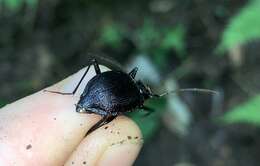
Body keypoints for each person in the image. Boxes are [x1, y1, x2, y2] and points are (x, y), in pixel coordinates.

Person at [0, 65, 143, 166]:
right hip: (101, 95)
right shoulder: (136, 96)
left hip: (101, 90)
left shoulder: (129, 84)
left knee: (108, 118)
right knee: (108, 120)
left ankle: (74, 101)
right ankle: (84, 124)